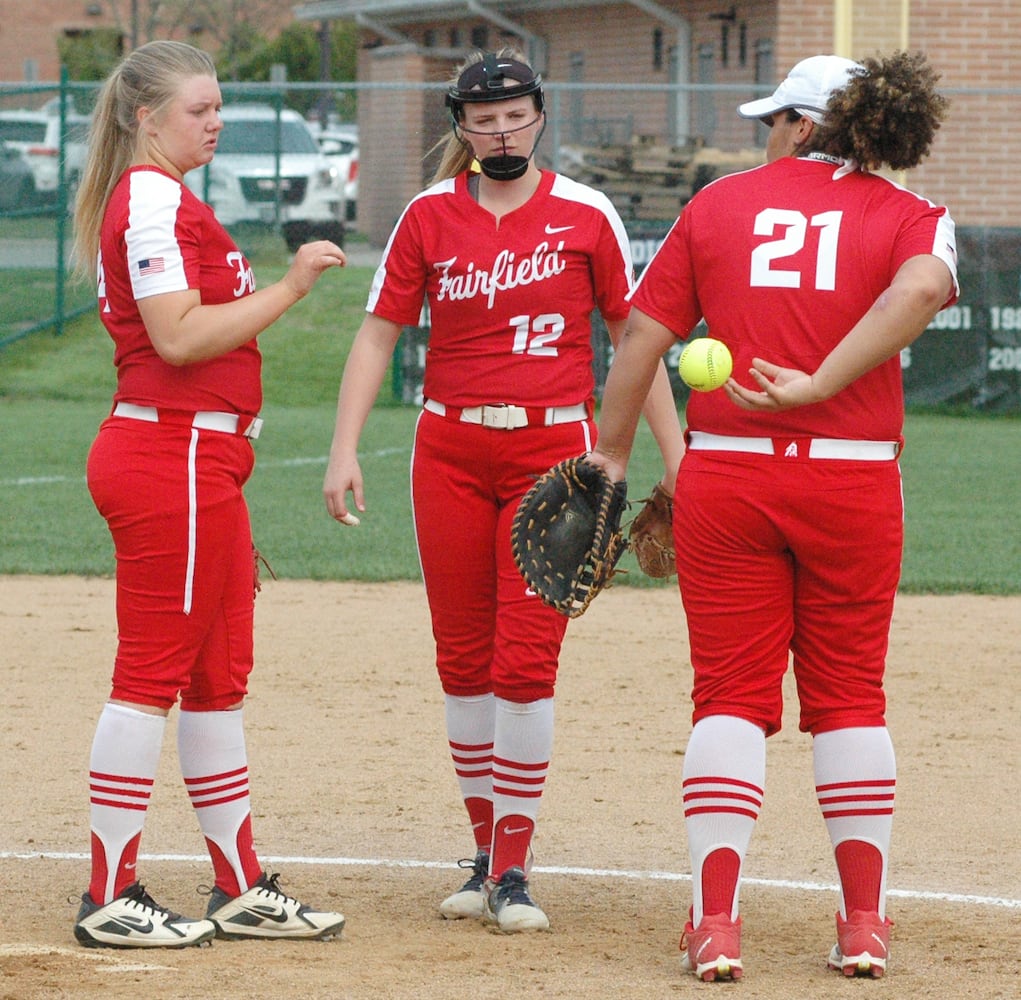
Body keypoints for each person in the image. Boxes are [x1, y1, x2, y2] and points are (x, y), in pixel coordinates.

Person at [585, 52, 957, 980]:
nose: (766, 137)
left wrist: (609, 456)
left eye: (774, 121)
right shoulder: (912, 213)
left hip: (728, 478)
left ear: (800, 124)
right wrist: (825, 382)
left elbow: (643, 337)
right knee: (848, 698)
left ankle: (716, 923)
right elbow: (916, 292)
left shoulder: (717, 207)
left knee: (729, 698)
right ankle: (862, 923)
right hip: (850, 481)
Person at [322, 49, 684, 933]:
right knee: (462, 659)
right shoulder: (426, 217)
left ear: (539, 116)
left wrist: (676, 463)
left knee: (524, 663)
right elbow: (377, 336)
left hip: (552, 457)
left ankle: (515, 868)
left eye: (515, 115)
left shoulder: (586, 213)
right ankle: (484, 858)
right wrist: (344, 448)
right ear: (461, 126)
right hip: (446, 446)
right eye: (483, 120)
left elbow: (637, 344)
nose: (500, 131)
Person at [71, 40, 348, 949]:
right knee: (150, 676)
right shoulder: (149, 196)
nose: (215, 120)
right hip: (168, 456)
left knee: (217, 678)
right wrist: (293, 285)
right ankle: (108, 893)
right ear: (145, 118)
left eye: (218, 105)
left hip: (203, 460)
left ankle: (238, 886)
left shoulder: (171, 196)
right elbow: (180, 339)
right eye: (199, 108)